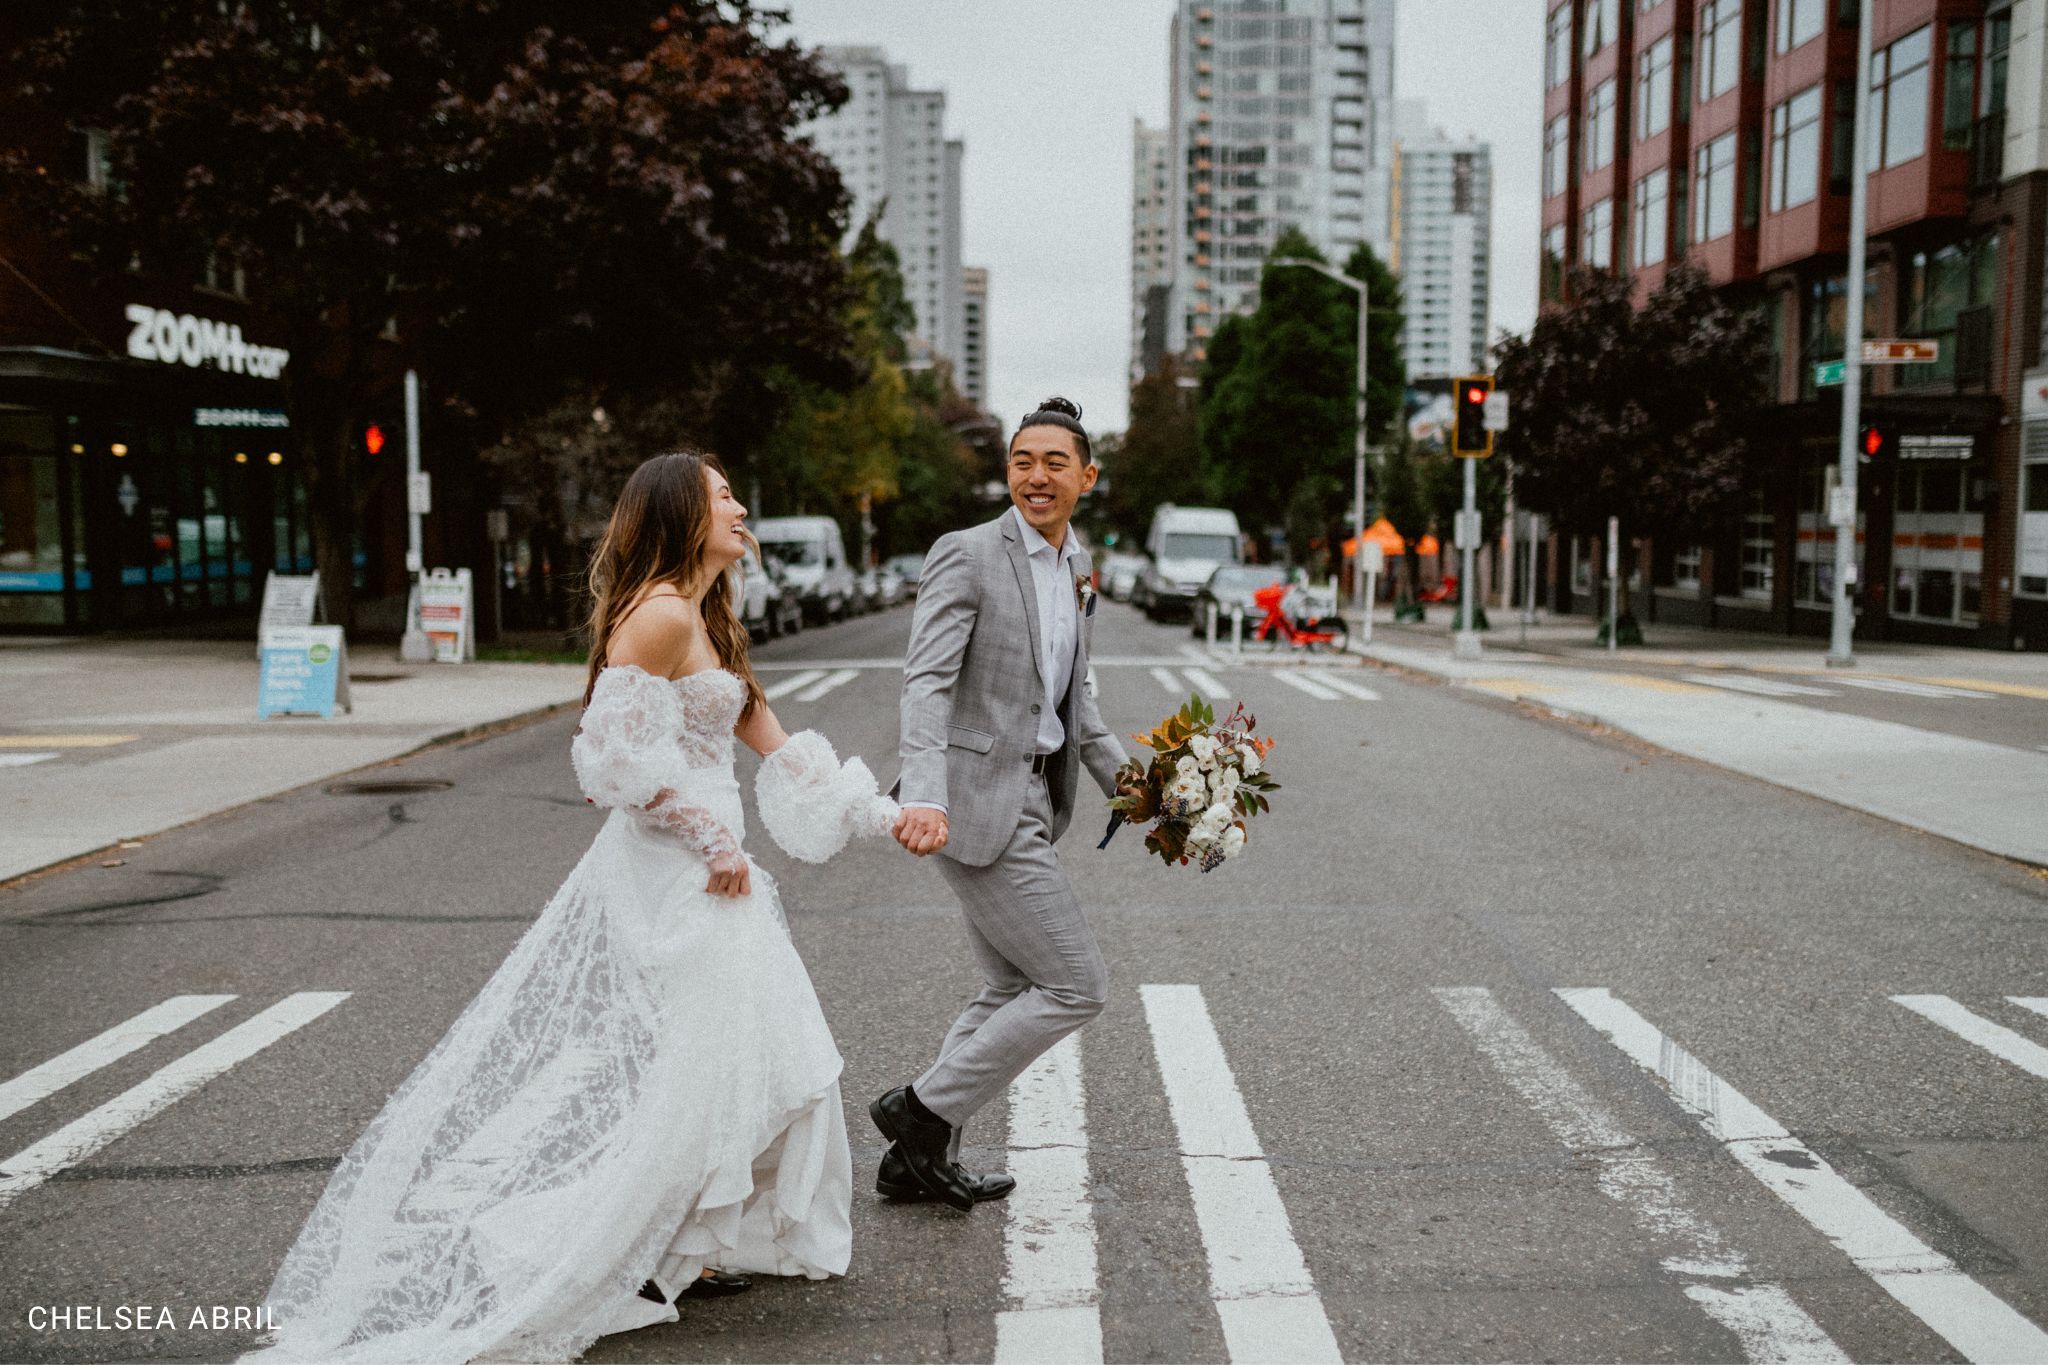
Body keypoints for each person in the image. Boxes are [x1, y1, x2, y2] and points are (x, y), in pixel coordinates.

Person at [243, 451, 900, 1363]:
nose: (742, 507)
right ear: (680, 513)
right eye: (723, 497)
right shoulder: (661, 617)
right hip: (679, 875)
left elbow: (782, 753)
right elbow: (611, 763)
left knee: (755, 1057)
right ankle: (637, 1248)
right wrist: (710, 839)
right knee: (711, 1064)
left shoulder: (707, 619)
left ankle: (677, 1242)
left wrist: (887, 814)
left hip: (718, 872)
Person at [876, 396, 1133, 1210]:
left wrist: (1141, 790)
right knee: (1076, 984)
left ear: (1087, 477)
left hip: (1032, 798)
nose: (1036, 475)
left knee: (1006, 988)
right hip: (971, 802)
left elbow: (1075, 706)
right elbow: (927, 680)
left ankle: (914, 1160)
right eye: (1023, 460)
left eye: (1055, 462)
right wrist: (924, 793)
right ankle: (916, 1114)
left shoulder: (1077, 566)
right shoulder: (969, 553)